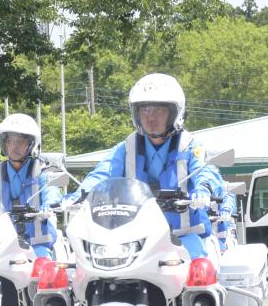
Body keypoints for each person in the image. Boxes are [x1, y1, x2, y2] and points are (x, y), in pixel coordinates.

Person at [67, 73, 216, 260]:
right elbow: (102, 173)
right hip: (135, 241)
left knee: (198, 277)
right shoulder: (127, 148)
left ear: (175, 113)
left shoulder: (190, 146)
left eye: (159, 111)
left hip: (183, 236)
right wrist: (79, 195)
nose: (150, 118)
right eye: (144, 110)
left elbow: (205, 171)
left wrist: (203, 189)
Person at [0, 113, 61, 258]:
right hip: (1, 247)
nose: (14, 146)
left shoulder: (42, 171)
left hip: (38, 247)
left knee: (45, 273)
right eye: (11, 141)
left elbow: (51, 191)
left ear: (31, 144)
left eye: (21, 141)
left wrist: (50, 204)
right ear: (4, 143)